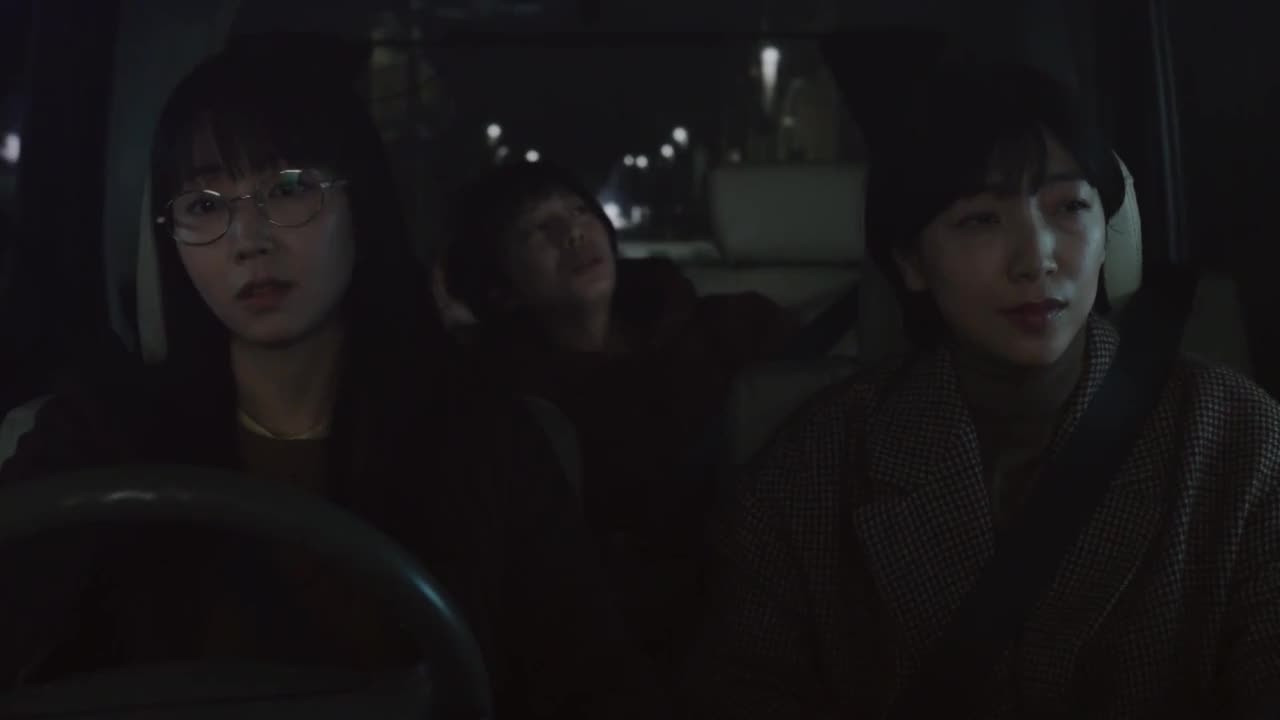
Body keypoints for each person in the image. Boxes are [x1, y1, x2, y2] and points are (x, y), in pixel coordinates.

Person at [0, 38, 664, 719]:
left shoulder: (484, 436)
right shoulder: (106, 431)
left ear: (360, 205)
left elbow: (593, 684)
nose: (248, 240)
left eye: (288, 189)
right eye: (205, 205)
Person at [685, 58, 1280, 718]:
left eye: (1069, 208)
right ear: (911, 261)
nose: (1036, 259)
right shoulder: (810, 471)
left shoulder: (1235, 441)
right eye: (980, 220)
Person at [443, 161, 794, 684]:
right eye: (538, 228)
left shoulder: (722, 330)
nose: (573, 232)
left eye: (579, 210)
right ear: (501, 287)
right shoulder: (496, 401)